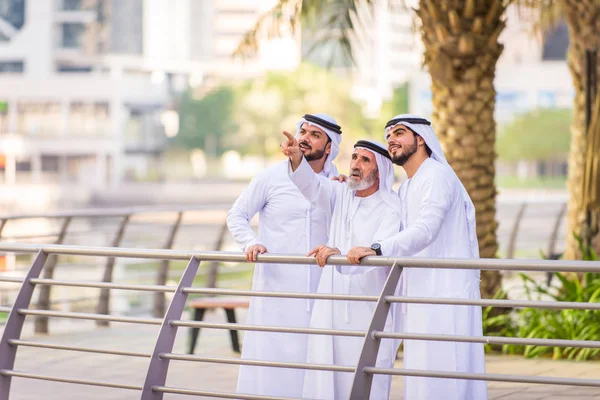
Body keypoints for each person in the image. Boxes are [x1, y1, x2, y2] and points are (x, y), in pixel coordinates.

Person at [347, 114, 488, 400]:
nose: (391, 140)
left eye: (399, 133)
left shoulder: (436, 176)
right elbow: (388, 218)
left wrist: (376, 249)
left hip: (446, 293)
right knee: (423, 376)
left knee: (449, 372)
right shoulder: (409, 185)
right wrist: (347, 183)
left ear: (421, 139)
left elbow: (425, 230)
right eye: (388, 136)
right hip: (421, 294)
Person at [227, 113, 342, 397]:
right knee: (271, 369)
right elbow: (237, 215)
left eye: (315, 135)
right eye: (303, 131)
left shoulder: (339, 185)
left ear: (329, 147)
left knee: (317, 367)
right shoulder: (270, 176)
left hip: (321, 291)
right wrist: (249, 243)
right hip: (275, 291)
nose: (304, 138)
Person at [281, 131, 402, 400]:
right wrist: (297, 159)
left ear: (380, 170)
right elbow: (311, 185)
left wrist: (339, 254)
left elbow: (377, 254)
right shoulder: (340, 193)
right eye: (354, 158)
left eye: (365, 160)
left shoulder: (392, 208)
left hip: (369, 309)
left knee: (366, 381)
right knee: (323, 378)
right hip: (330, 307)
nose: (356, 165)